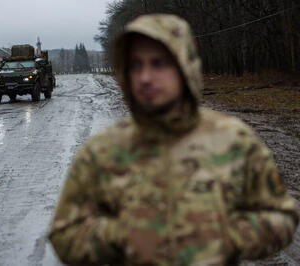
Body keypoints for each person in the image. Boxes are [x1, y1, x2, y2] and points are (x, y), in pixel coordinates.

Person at [48, 14, 299, 266]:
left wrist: (224, 234)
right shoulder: (103, 150)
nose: (145, 77)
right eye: (135, 65)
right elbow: (64, 233)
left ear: (184, 67)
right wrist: (125, 235)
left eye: (159, 63)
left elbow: (282, 216)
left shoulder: (232, 138)